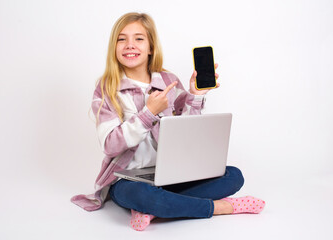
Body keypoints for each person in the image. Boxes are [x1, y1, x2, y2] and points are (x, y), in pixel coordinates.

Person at [71, 12, 265, 231]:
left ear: (151, 47)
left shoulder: (168, 81)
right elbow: (110, 145)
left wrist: (195, 95)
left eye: (139, 38)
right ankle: (219, 207)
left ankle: (153, 210)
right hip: (128, 180)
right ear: (114, 46)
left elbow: (187, 135)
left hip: (171, 174)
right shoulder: (107, 87)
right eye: (121, 39)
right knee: (141, 194)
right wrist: (148, 113)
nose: (129, 45)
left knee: (233, 176)